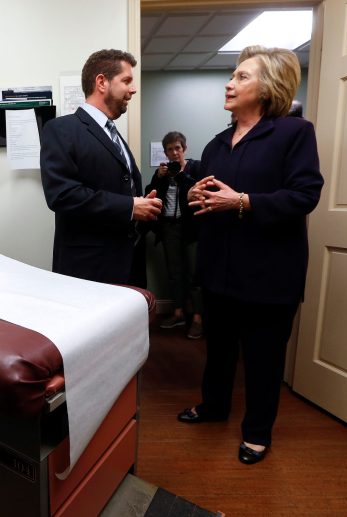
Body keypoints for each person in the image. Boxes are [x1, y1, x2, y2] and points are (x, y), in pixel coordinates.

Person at [177, 45, 324, 465]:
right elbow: (207, 202)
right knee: (219, 350)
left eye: (242, 76)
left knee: (263, 358)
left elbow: (305, 195)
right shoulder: (217, 144)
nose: (229, 83)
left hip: (269, 273)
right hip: (219, 269)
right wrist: (194, 196)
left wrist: (242, 202)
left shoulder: (294, 133)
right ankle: (213, 407)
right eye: (232, 75)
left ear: (268, 86)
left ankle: (257, 432)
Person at [40, 49, 163, 287]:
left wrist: (144, 207)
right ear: (101, 82)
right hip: (89, 270)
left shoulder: (114, 135)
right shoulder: (60, 129)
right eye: (126, 80)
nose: (133, 89)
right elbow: (62, 195)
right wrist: (130, 207)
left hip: (128, 264)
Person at [145, 132, 204, 339]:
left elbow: (198, 191)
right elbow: (150, 194)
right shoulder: (164, 173)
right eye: (170, 149)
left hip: (191, 228)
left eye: (177, 148)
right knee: (174, 272)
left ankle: (198, 317)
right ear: (166, 152)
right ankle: (178, 312)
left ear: (184, 149)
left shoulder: (195, 168)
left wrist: (180, 175)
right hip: (169, 227)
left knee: (194, 274)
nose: (174, 152)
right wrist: (158, 178)